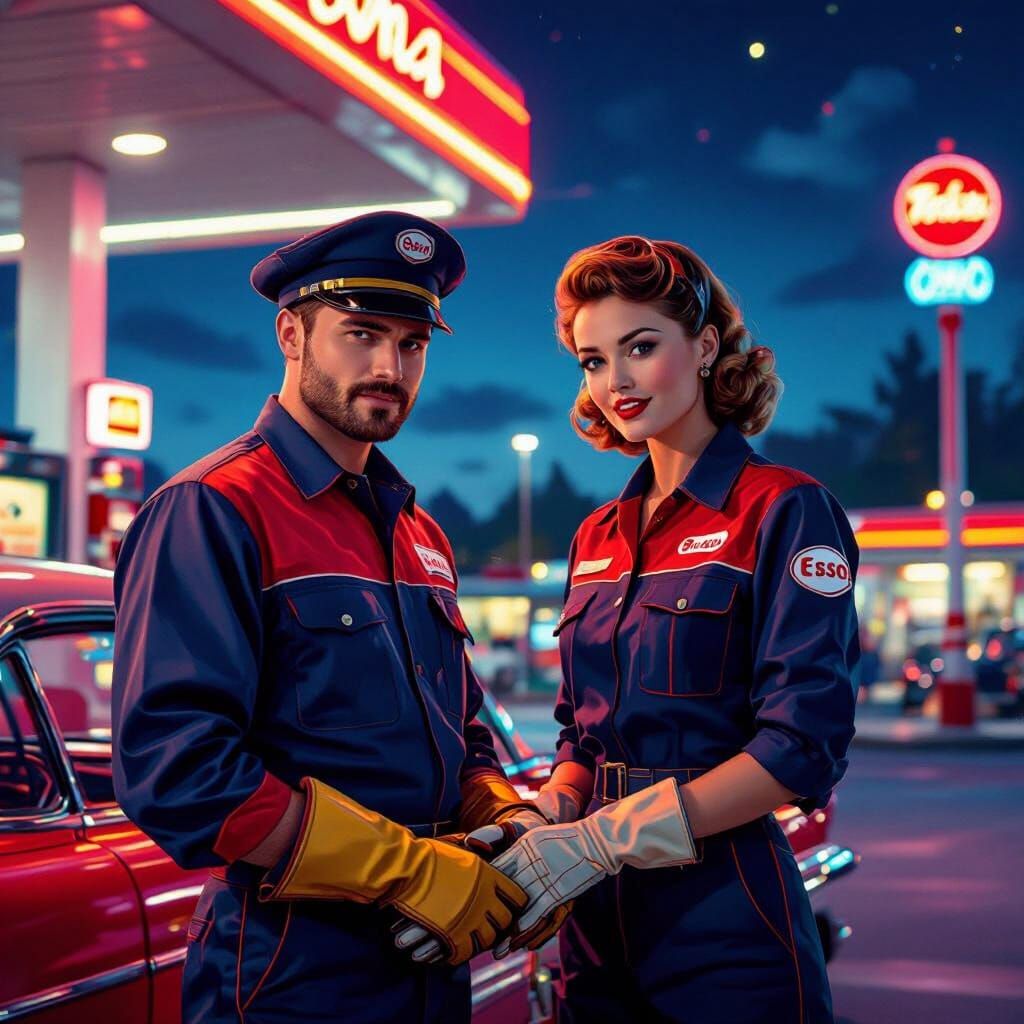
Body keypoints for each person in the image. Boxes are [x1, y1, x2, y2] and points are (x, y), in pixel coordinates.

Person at [398, 235, 860, 1022]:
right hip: (594, 917)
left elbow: (803, 745)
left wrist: (604, 840)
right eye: (593, 360)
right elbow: (582, 733)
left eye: (640, 347)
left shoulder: (785, 509)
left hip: (725, 905)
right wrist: (548, 814)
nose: (615, 381)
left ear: (706, 346)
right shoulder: (597, 536)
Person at [111, 211, 545, 1024]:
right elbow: (180, 771)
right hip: (292, 967)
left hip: (437, 951)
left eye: (412, 344)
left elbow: (463, 728)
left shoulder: (421, 533)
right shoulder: (212, 508)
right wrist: (404, 871)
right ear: (291, 334)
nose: (389, 367)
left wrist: (504, 819)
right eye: (361, 333)